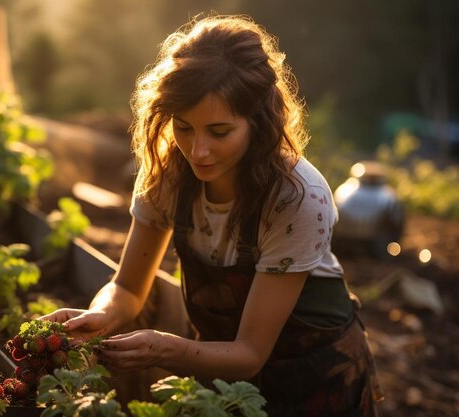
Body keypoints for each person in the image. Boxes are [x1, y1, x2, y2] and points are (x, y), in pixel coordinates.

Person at [43, 14, 384, 416]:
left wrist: (162, 348)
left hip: (313, 378)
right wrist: (100, 315)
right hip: (221, 371)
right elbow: (129, 288)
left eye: (219, 132)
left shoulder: (296, 199)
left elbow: (249, 353)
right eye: (183, 127)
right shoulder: (168, 175)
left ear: (258, 122)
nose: (197, 150)